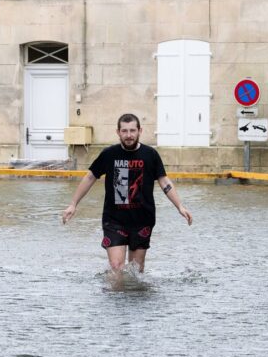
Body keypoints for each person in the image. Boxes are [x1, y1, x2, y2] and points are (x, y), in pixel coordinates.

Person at [62, 113, 192, 273]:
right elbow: (90, 177)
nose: (129, 135)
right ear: (118, 132)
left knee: (136, 271)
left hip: (142, 219)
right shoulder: (109, 154)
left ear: (140, 131)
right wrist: (73, 204)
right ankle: (114, 296)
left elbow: (164, 181)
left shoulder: (150, 155)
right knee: (116, 267)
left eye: (132, 130)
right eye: (124, 131)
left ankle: (132, 297)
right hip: (114, 219)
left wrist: (180, 206)